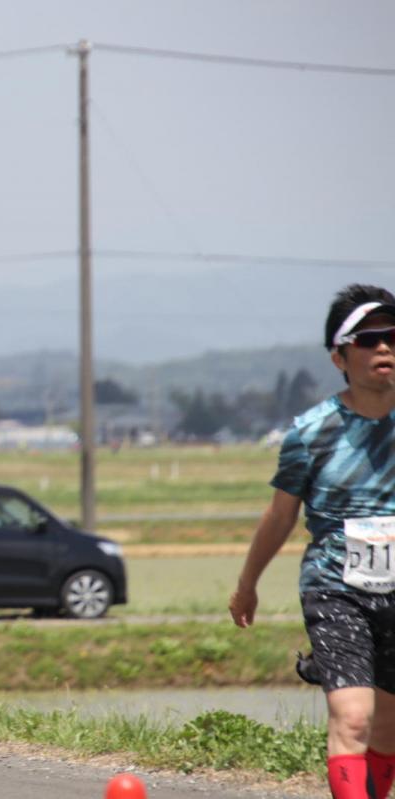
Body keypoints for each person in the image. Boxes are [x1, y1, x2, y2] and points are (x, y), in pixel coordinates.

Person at [229, 284, 395, 799]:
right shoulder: (311, 432)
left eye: (393, 337)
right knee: (353, 719)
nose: (384, 349)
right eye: (369, 339)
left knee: (387, 729)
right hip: (335, 588)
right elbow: (280, 517)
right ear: (339, 357)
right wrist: (247, 584)